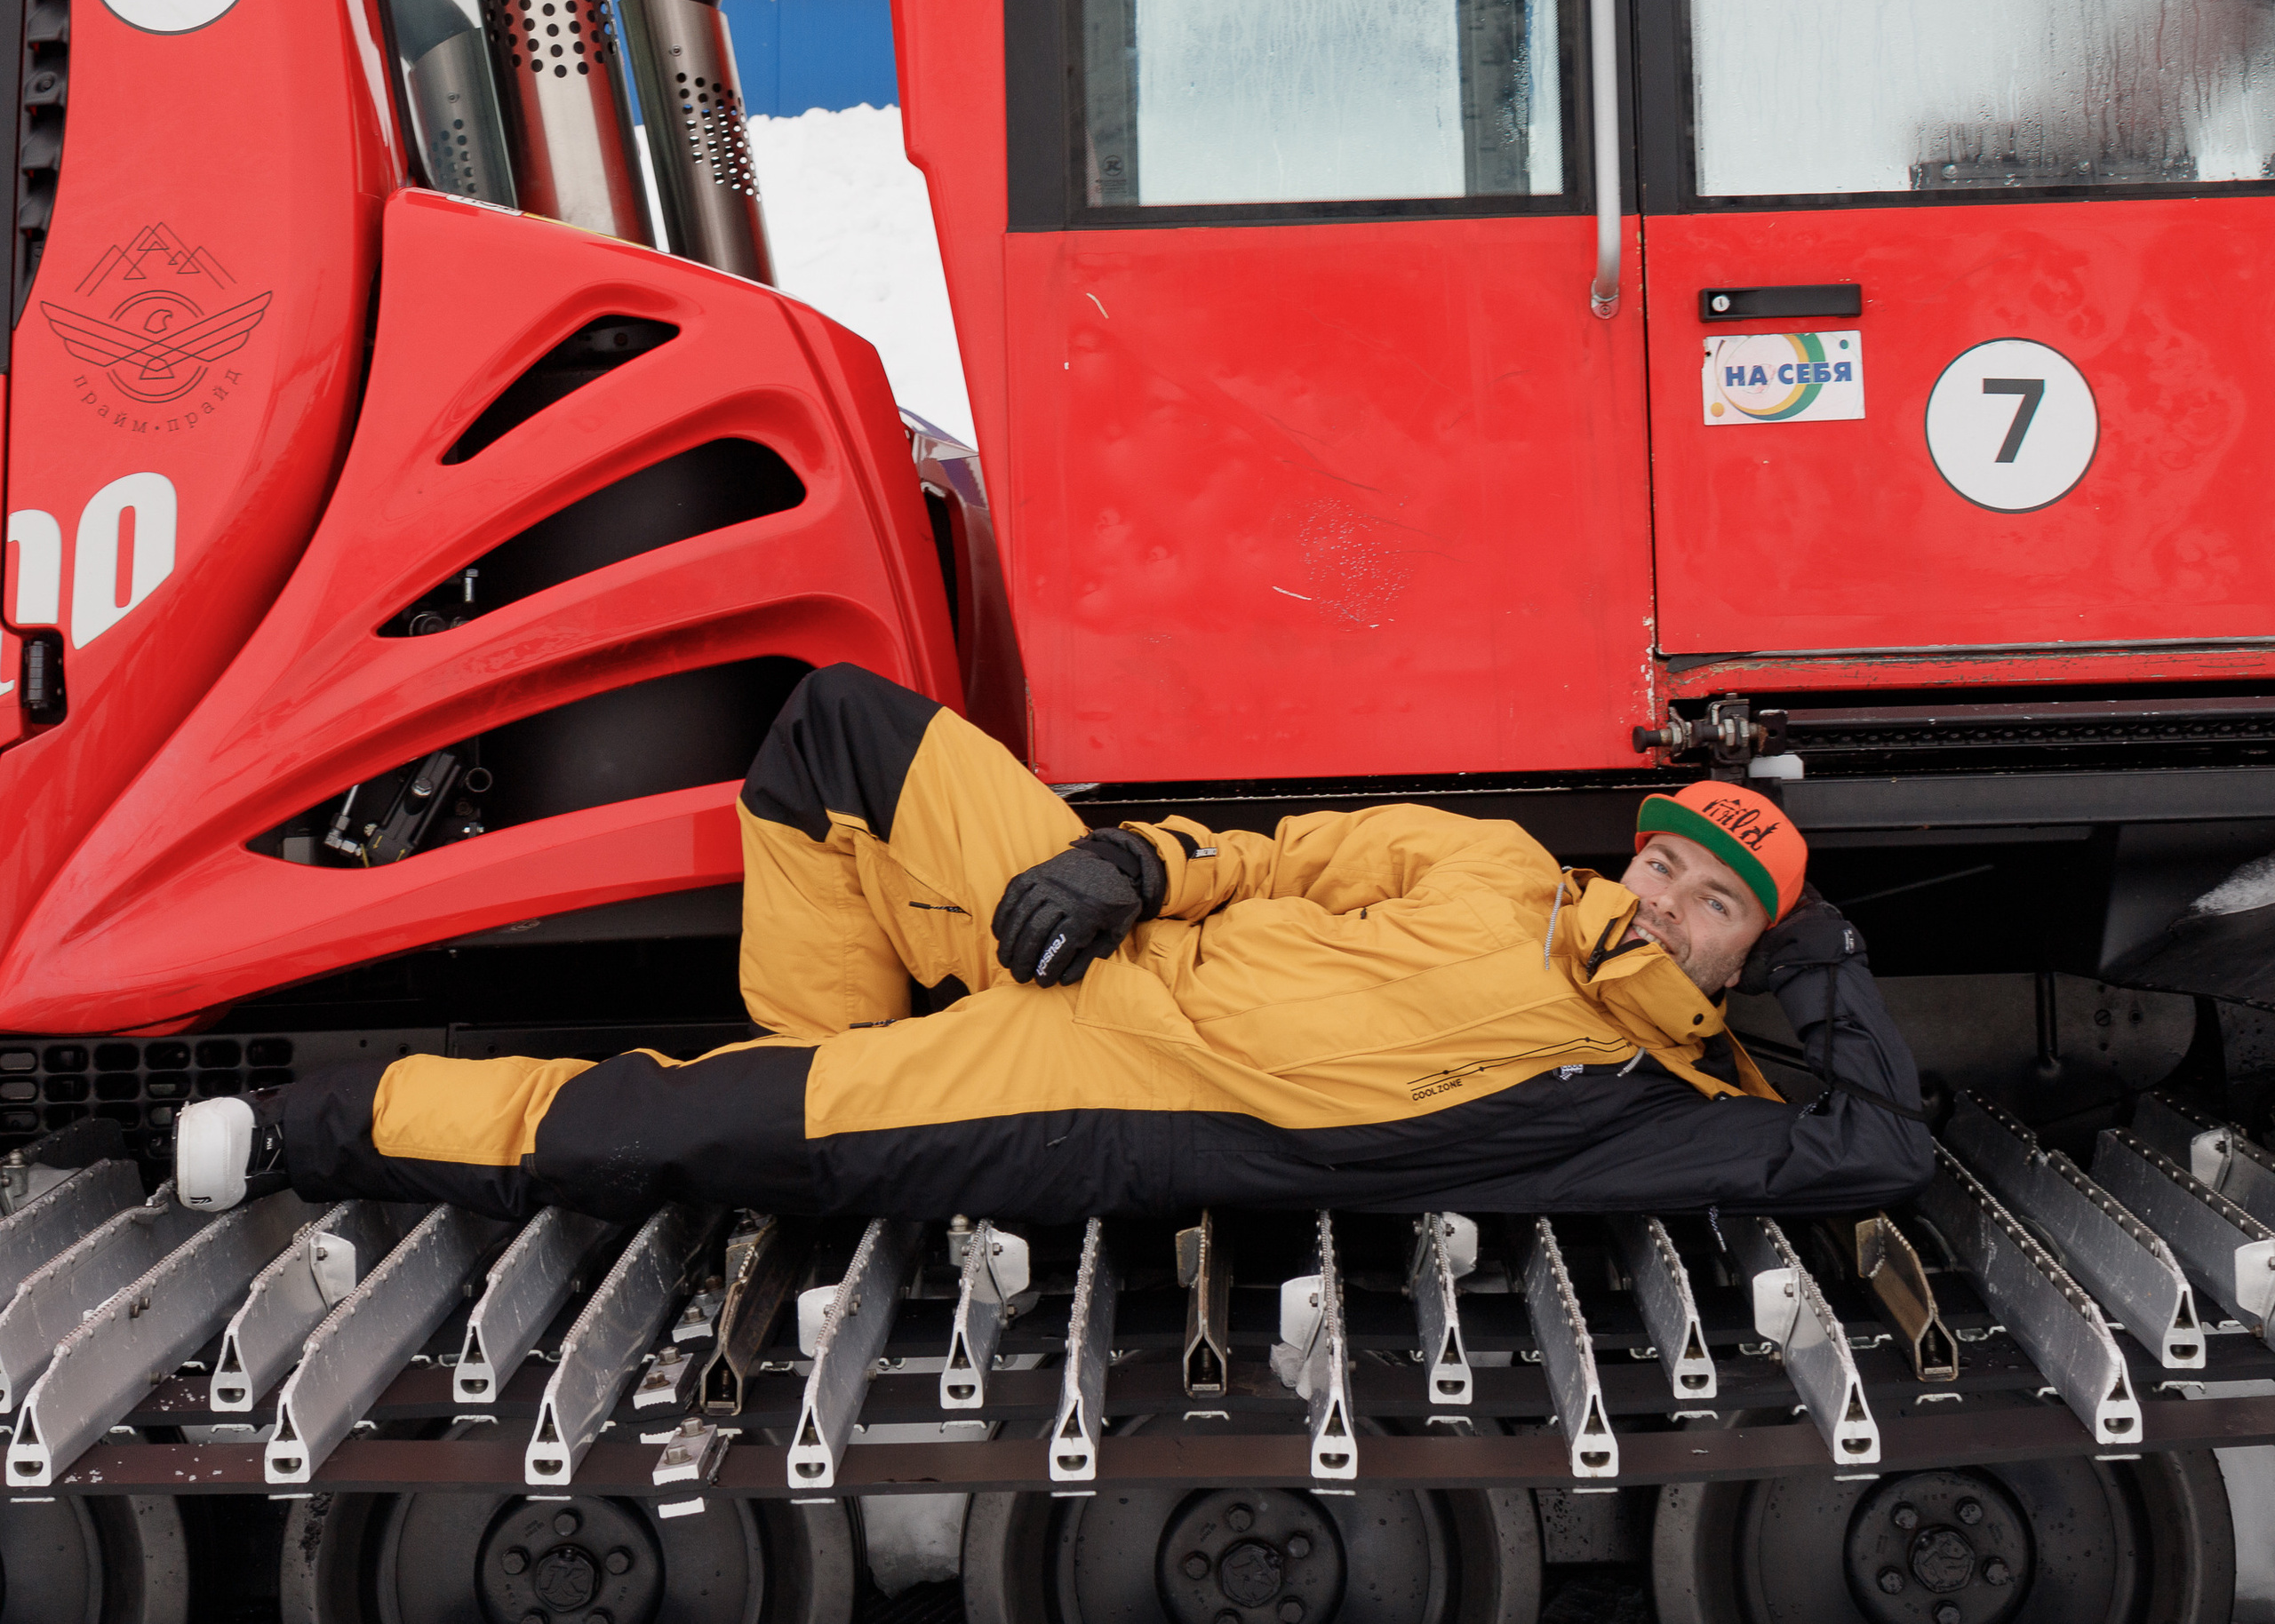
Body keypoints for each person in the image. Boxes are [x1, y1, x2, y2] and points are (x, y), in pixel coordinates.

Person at [178, 665, 1932, 1223]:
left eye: (1726, 912)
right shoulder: (1482, 866)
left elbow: (1873, 1146)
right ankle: (813, 1076)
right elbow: (1264, 857)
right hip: (1090, 946)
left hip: (1092, 1080)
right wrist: (1120, 868)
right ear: (1634, 848)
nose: (1678, 908)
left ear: (1742, 960)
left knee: (647, 1122)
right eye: (1679, 869)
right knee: (841, 733)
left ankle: (302, 1122)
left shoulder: (1642, 1090)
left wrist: (1820, 954)